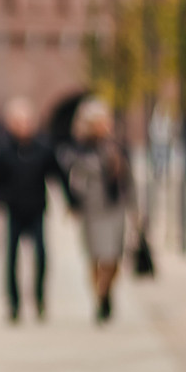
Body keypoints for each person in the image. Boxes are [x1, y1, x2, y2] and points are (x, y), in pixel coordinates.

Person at [0, 94, 61, 322]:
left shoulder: (43, 148)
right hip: (13, 211)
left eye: (27, 120)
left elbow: (57, 175)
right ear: (10, 124)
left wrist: (70, 201)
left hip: (37, 210)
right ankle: (14, 304)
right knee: (11, 259)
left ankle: (39, 298)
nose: (24, 126)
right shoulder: (4, 150)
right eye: (19, 121)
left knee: (42, 256)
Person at [68, 99, 136, 325]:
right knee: (95, 256)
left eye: (105, 120)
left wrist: (135, 210)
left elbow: (129, 180)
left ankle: (105, 291)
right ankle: (99, 297)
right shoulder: (79, 148)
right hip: (92, 209)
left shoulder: (119, 146)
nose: (104, 125)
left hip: (115, 208)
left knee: (113, 256)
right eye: (98, 122)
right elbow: (73, 179)